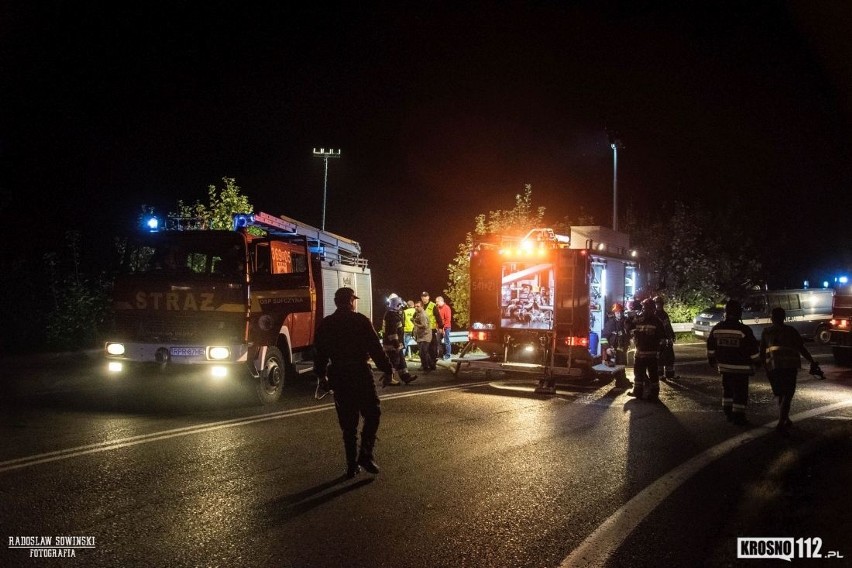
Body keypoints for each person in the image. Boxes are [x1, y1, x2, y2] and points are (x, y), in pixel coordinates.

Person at [314, 287, 394, 478]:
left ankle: (351, 465)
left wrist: (321, 376)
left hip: (339, 375)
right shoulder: (360, 321)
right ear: (350, 301)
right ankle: (365, 454)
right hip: (359, 373)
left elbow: (320, 354)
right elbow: (375, 348)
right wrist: (387, 369)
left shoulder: (327, 324)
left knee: (348, 423)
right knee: (372, 413)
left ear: (336, 302)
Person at [760, 307, 824, 435]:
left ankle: (785, 418)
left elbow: (762, 352)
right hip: (789, 367)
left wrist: (765, 368)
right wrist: (811, 361)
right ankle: (781, 422)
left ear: (772, 318)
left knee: (781, 394)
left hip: (774, 368)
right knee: (787, 395)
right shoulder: (791, 331)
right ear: (784, 317)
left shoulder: (766, 332)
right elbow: (801, 348)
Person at [706, 299, 760, 425]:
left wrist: (712, 360)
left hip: (724, 368)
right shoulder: (744, 330)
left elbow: (710, 347)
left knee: (727, 390)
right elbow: (753, 350)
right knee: (740, 392)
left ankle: (728, 413)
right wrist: (758, 363)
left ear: (726, 312)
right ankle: (739, 417)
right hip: (741, 369)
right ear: (739, 313)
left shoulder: (717, 328)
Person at [625, 298, 665, 400]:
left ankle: (654, 395)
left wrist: (659, 352)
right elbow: (628, 328)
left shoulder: (657, 322)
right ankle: (637, 393)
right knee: (638, 374)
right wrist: (629, 318)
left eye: (646, 308)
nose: (644, 310)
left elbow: (662, 339)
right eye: (643, 308)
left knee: (653, 376)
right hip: (639, 354)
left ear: (652, 309)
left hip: (652, 355)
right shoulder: (639, 320)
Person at [380, 295, 417, 387]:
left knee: (401, 362)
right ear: (396, 305)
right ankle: (388, 379)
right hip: (392, 344)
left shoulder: (391, 313)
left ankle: (406, 377)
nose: (401, 307)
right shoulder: (391, 315)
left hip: (396, 343)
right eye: (399, 305)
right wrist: (396, 344)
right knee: (394, 361)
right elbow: (392, 332)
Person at [654, 296, 677, 380]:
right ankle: (660, 375)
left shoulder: (664, 314)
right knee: (659, 358)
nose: (659, 305)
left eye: (660, 304)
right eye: (657, 304)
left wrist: (672, 335)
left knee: (670, 357)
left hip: (667, 339)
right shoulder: (655, 315)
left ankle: (670, 374)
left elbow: (668, 326)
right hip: (660, 340)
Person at [419, 291, 442, 370]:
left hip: (431, 330)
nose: (424, 298)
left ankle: (432, 363)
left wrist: (441, 327)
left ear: (428, 297)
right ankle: (426, 364)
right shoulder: (420, 306)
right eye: (422, 297)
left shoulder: (432, 305)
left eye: (425, 296)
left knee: (432, 348)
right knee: (424, 349)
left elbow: (438, 317)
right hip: (422, 331)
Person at [413, 301, 434, 372]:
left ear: (422, 307)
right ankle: (432, 365)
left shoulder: (422, 315)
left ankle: (426, 367)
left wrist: (415, 323)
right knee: (424, 352)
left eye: (418, 306)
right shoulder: (417, 314)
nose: (416, 308)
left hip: (425, 336)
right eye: (415, 306)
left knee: (423, 352)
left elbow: (424, 326)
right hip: (420, 336)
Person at [435, 295, 452, 360]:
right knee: (438, 341)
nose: (436, 303)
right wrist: (437, 327)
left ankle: (448, 355)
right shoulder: (437, 308)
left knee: (446, 341)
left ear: (441, 301)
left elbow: (448, 319)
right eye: (436, 302)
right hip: (439, 328)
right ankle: (440, 355)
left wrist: (444, 329)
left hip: (446, 327)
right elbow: (437, 319)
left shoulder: (446, 308)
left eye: (437, 301)